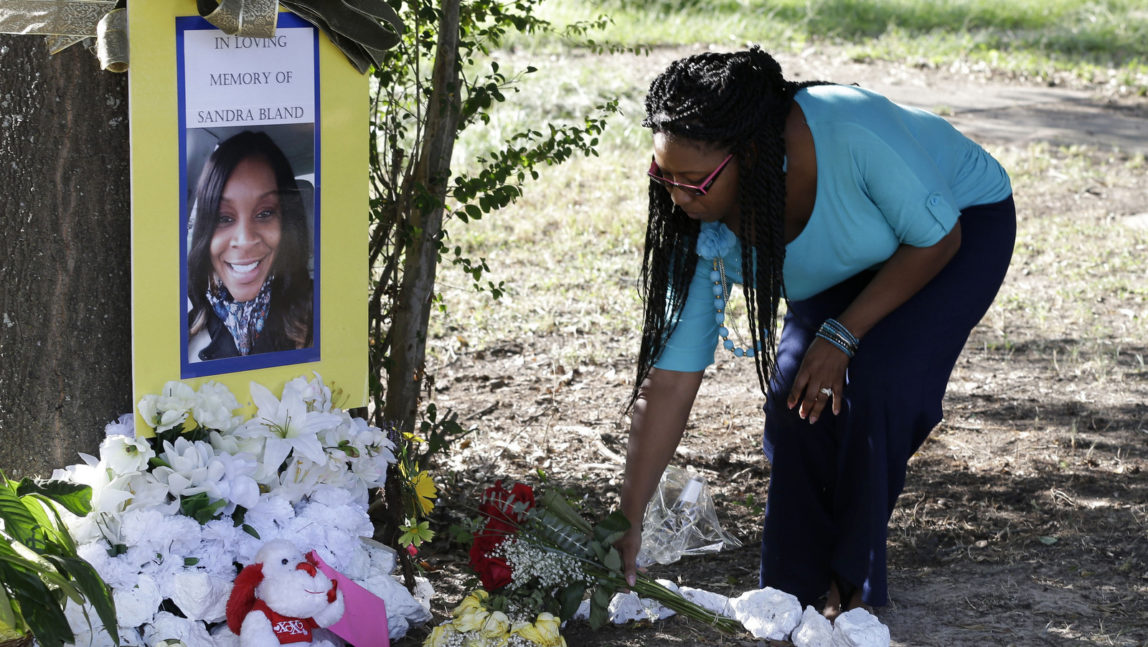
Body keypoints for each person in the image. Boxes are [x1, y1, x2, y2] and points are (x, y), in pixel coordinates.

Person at [618, 47, 1014, 618]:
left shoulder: (848, 127)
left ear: (750, 154)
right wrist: (626, 519)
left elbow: (937, 239)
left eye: (694, 181)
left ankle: (853, 593)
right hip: (852, 259)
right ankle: (790, 597)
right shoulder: (702, 225)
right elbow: (672, 378)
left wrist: (842, 334)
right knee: (796, 400)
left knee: (878, 384)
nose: (677, 197)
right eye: (664, 175)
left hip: (955, 228)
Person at [187, 130, 313, 362]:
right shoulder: (183, 332)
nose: (244, 240)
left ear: (288, 222)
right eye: (224, 218)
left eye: (265, 213)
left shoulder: (322, 315)